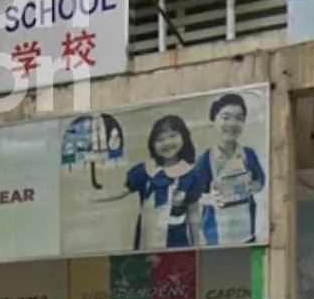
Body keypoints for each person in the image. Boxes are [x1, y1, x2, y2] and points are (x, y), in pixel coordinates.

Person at [90, 113, 201, 250]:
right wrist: (95, 198)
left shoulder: (190, 174)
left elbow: (193, 214)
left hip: (176, 241)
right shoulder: (145, 170)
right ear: (152, 144)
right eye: (160, 139)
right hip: (146, 237)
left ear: (183, 136)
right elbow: (122, 191)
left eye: (172, 136)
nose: (167, 143)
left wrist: (197, 246)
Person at [193, 92, 266, 246]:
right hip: (217, 233)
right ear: (213, 120)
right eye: (226, 117)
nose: (232, 124)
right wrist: (211, 199)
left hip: (246, 229)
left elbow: (260, 180)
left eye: (238, 118)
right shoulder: (205, 159)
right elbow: (195, 194)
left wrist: (253, 186)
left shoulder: (248, 154)